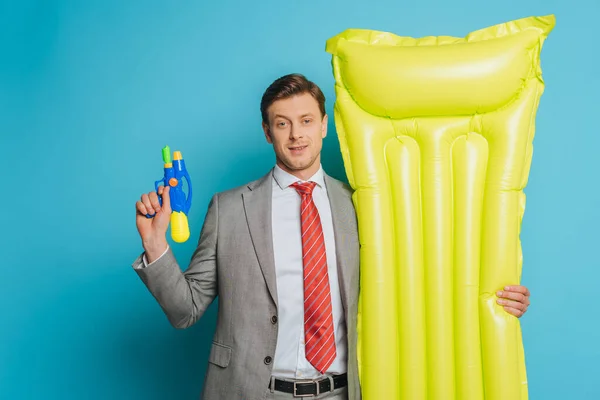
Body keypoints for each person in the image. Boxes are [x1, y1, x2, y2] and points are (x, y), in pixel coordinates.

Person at [133, 74, 531, 400]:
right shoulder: (229, 208)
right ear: (267, 132)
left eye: (306, 120)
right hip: (251, 391)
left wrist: (491, 297)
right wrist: (155, 244)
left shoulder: (364, 205)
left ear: (324, 125)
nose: (296, 135)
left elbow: (417, 280)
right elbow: (185, 311)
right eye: (282, 123)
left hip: (341, 393)